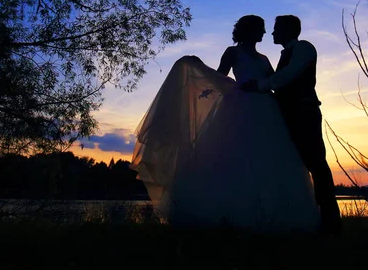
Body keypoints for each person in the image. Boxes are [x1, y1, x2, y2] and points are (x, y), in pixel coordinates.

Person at [130, 15, 320, 232]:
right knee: (236, 157)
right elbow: (219, 77)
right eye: (261, 28)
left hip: (268, 112)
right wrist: (197, 66)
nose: (265, 33)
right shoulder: (233, 53)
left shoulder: (265, 58)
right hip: (240, 109)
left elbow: (274, 82)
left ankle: (272, 215)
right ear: (249, 30)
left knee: (268, 159)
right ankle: (232, 216)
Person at [241, 15, 342, 234]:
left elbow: (287, 76)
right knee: (293, 164)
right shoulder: (283, 55)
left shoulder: (304, 48)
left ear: (288, 29)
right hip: (286, 115)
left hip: (304, 112)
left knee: (316, 163)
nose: (272, 33)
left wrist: (259, 84)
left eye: (276, 28)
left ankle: (330, 220)